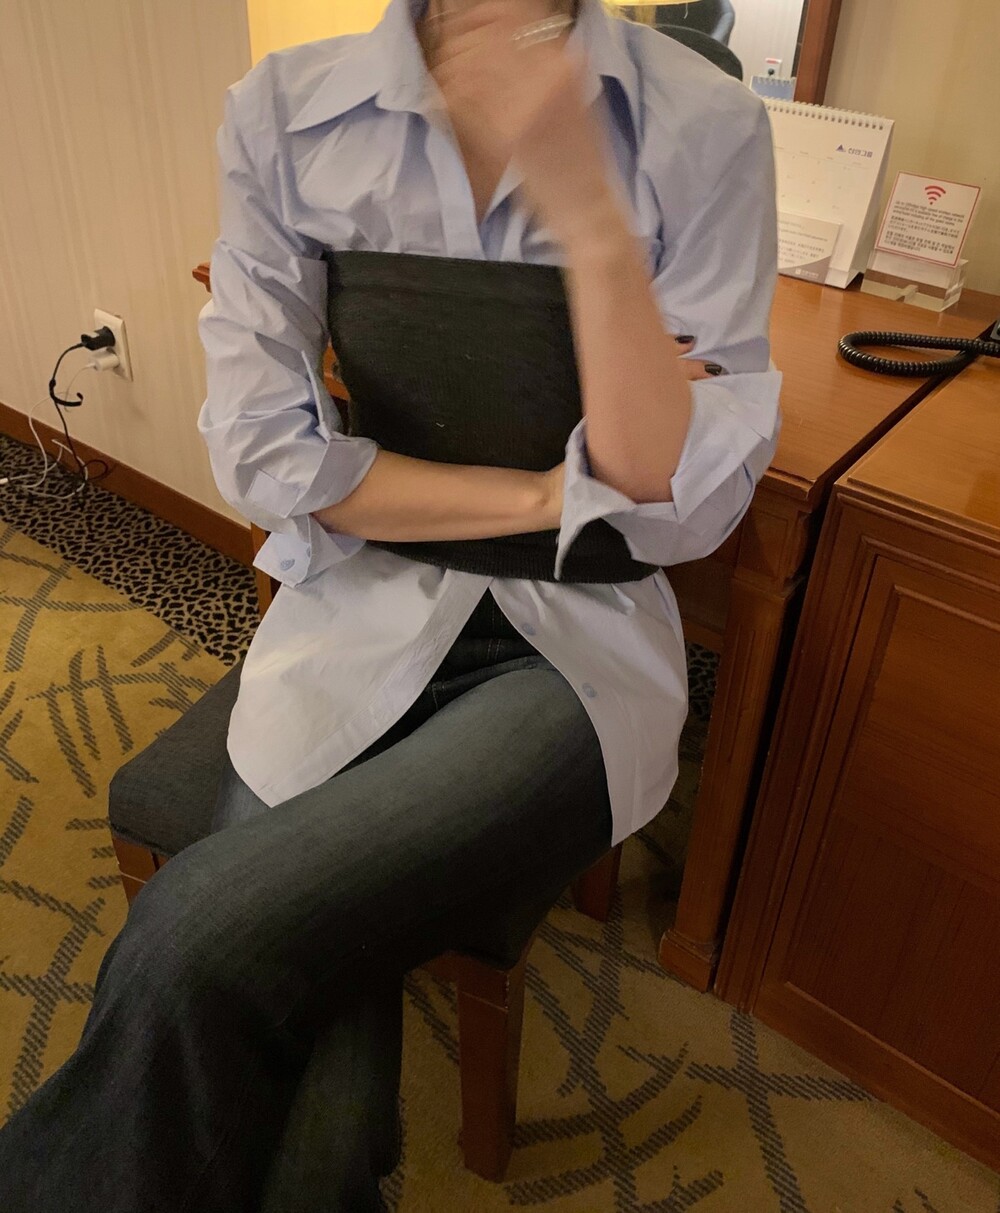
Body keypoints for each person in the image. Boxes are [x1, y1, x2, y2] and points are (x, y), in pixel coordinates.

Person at [0, 1, 781, 1210]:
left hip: (575, 648)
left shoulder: (704, 123)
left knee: (200, 933)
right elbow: (265, 459)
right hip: (356, 618)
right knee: (293, 1051)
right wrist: (549, 486)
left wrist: (589, 220)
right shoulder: (287, 113)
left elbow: (677, 509)